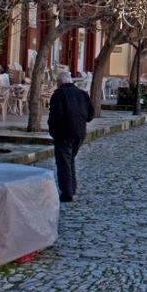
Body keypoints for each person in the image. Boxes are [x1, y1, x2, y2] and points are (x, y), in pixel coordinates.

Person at [48, 71, 95, 203]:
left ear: (61, 82)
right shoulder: (82, 94)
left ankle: (67, 193)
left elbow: (55, 115)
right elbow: (90, 115)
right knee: (70, 160)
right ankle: (72, 188)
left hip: (64, 133)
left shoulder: (59, 94)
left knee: (64, 162)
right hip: (79, 133)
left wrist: (52, 129)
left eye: (57, 82)